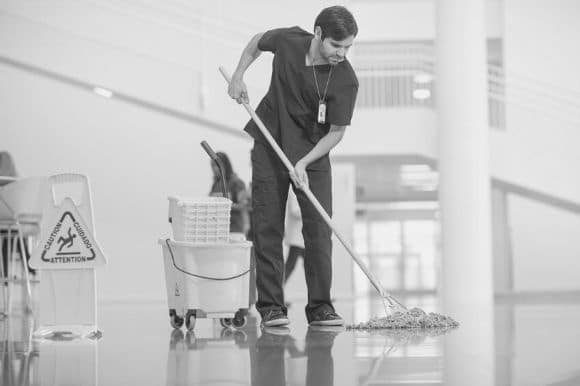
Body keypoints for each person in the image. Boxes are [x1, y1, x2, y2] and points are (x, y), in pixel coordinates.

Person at [227, 6, 359, 327]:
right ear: (317, 34)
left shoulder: (345, 80)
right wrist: (238, 75)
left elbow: (336, 132)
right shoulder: (288, 41)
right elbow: (258, 42)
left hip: (313, 154)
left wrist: (304, 161)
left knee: (317, 230)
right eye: (335, 46)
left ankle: (320, 307)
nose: (341, 54)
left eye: (347, 48)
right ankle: (271, 307)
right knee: (267, 226)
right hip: (270, 142)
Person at [209, 151, 251, 237]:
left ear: (225, 165)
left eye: (216, 165)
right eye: (212, 165)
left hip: (234, 230)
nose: (214, 169)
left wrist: (225, 205)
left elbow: (243, 206)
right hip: (218, 231)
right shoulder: (215, 185)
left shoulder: (237, 183)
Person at [283, 188, 304, 285]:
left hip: (302, 238)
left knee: (313, 266)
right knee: (290, 266)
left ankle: (321, 294)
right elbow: (295, 211)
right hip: (297, 238)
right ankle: (278, 293)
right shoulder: (293, 190)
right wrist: (310, 210)